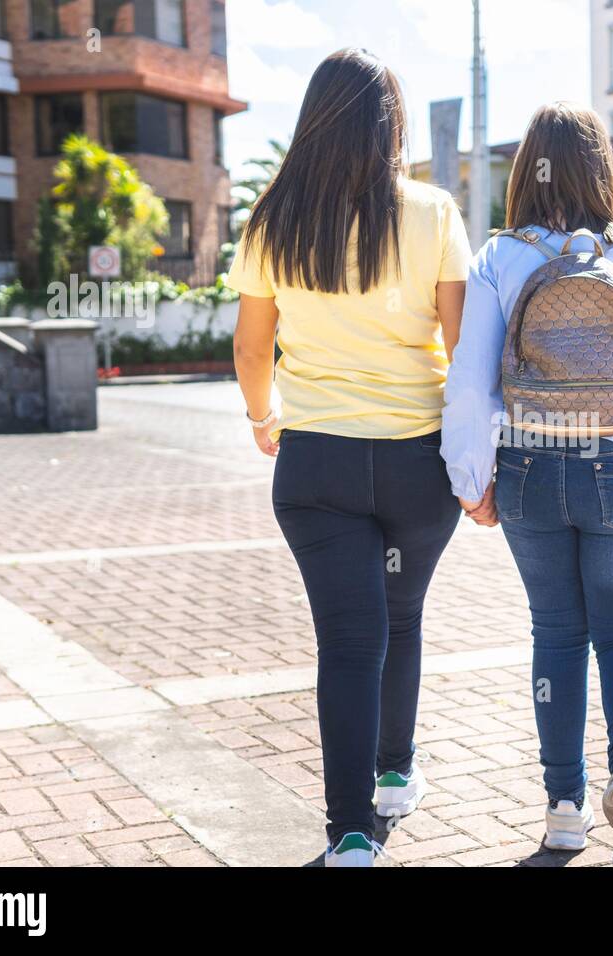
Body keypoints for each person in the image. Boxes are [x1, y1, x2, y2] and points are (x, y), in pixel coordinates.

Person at [441, 101, 613, 866]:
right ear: (604, 171)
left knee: (557, 635)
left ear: (528, 170)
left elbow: (469, 385)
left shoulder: (499, 258)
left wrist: (471, 480)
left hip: (529, 463)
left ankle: (564, 811)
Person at [228, 48, 471, 867]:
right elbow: (462, 347)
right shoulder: (433, 212)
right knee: (399, 620)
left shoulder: (273, 220)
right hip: (417, 462)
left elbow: (251, 344)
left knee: (347, 640)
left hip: (316, 463)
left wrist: (264, 418)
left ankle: (352, 834)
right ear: (390, 126)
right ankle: (396, 774)